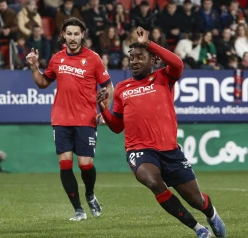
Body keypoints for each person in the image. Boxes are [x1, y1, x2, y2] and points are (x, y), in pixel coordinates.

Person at [97, 27, 226, 238]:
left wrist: (150, 43)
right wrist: (103, 108)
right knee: (153, 181)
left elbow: (178, 64)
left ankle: (211, 215)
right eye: (132, 58)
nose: (135, 61)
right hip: (139, 149)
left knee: (196, 200)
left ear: (153, 59)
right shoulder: (122, 88)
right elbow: (117, 126)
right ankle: (199, 230)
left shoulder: (164, 77)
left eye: (141, 57)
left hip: (170, 150)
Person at [26, 17, 113, 221]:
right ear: (62, 35)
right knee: (65, 164)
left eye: (76, 34)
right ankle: (78, 210)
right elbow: (43, 83)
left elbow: (108, 86)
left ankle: (90, 195)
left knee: (84, 165)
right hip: (61, 118)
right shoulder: (57, 58)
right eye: (69, 34)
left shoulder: (93, 59)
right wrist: (33, 67)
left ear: (83, 35)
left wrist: (105, 110)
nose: (73, 38)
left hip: (86, 118)